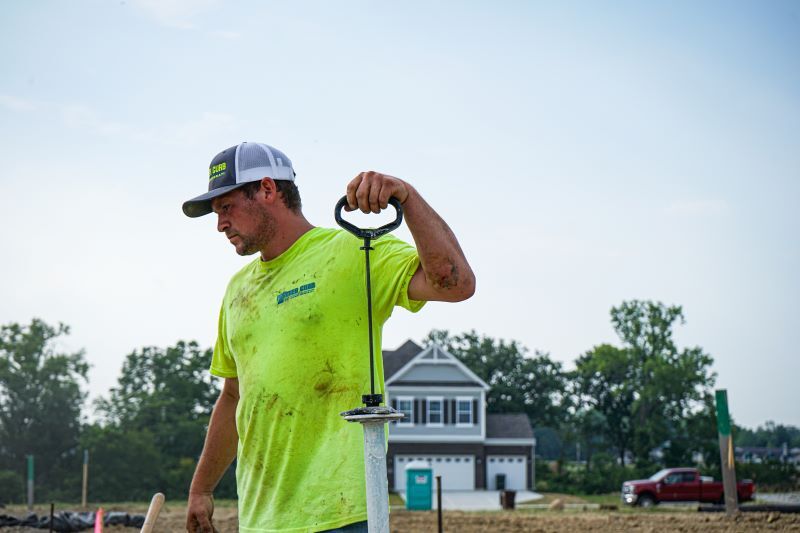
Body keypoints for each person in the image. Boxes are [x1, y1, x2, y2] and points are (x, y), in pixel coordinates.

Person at [182, 142, 475, 532]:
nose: (220, 224)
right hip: (262, 517)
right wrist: (200, 489)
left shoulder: (354, 251)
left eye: (226, 208)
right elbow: (234, 395)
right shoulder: (238, 291)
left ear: (268, 190)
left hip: (343, 512)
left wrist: (407, 196)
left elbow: (455, 284)